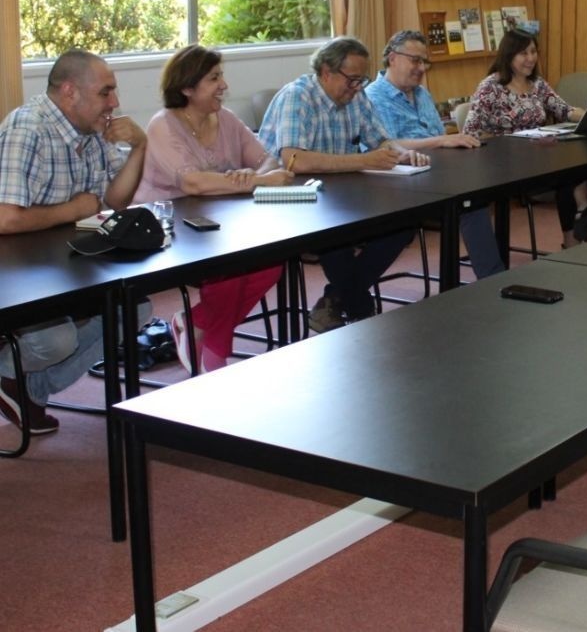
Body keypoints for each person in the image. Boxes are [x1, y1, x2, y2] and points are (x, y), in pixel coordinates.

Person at [0, 49, 148, 435]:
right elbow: (5, 218)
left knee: (135, 310)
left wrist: (140, 146)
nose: (114, 102)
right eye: (106, 92)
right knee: (57, 340)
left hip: (65, 261)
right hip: (16, 271)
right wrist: (73, 210)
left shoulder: (91, 130)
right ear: (70, 92)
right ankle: (5, 371)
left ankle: (29, 388)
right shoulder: (27, 128)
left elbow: (116, 200)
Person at [135, 44, 295, 372]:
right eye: (214, 78)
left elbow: (268, 159)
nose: (224, 85)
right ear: (187, 88)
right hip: (166, 225)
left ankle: (194, 323)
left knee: (270, 263)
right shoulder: (163, 124)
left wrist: (256, 172)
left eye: (221, 76)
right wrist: (258, 182)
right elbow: (192, 183)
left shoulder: (226, 118)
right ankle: (215, 350)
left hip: (217, 221)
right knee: (231, 268)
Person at [257, 36, 430, 332]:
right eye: (351, 80)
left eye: (361, 80)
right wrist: (363, 161)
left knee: (403, 225)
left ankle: (337, 299)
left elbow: (380, 139)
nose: (357, 88)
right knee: (335, 236)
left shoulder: (355, 95)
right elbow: (294, 160)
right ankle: (358, 306)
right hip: (292, 200)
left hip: (342, 197)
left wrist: (401, 153)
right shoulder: (298, 97)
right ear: (326, 72)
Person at [364, 30, 503, 279]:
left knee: (481, 187)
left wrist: (449, 142)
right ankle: (492, 278)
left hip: (438, 171)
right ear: (393, 58)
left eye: (425, 62)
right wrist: (442, 140)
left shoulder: (422, 94)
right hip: (401, 181)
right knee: (469, 201)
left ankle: (493, 276)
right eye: (415, 60)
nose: (422, 68)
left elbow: (441, 139)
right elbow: (388, 144)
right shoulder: (373, 97)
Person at [461, 29, 587, 249]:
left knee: (573, 163)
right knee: (565, 173)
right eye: (523, 53)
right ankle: (580, 219)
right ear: (508, 55)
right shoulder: (490, 87)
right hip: (504, 163)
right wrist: (501, 141)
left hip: (537, 155)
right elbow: (470, 131)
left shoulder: (537, 84)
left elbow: (563, 109)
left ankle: (579, 221)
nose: (530, 58)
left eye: (533, 52)